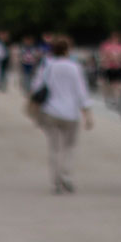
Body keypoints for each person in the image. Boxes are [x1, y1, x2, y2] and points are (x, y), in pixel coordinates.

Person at [31, 36, 93, 194]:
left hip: (50, 110)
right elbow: (81, 91)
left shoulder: (47, 66)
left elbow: (36, 86)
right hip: (70, 113)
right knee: (69, 147)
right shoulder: (74, 67)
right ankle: (66, 175)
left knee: (54, 148)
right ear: (67, 50)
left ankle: (55, 181)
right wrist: (87, 113)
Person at [99, 31, 121, 107]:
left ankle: (117, 99)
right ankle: (108, 98)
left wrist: (116, 59)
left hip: (117, 67)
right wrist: (110, 58)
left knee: (117, 84)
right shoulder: (106, 45)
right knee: (107, 83)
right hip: (108, 67)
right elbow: (104, 55)